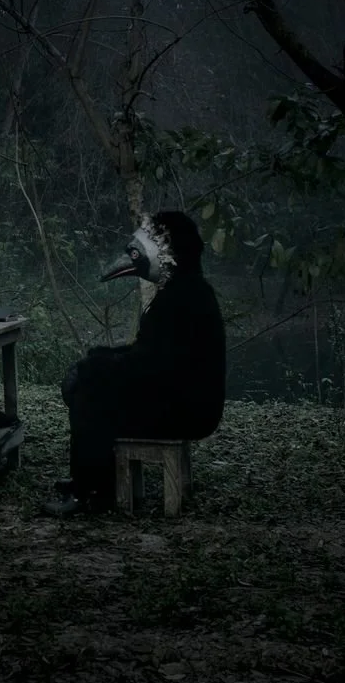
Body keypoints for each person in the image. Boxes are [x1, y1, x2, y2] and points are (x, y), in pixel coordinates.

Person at [41, 210, 226, 516]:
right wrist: (100, 358)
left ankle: (90, 493)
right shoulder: (187, 292)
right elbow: (151, 355)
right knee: (94, 384)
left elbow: (148, 367)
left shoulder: (182, 299)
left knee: (90, 397)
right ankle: (90, 478)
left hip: (188, 410)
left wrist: (93, 368)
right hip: (186, 402)